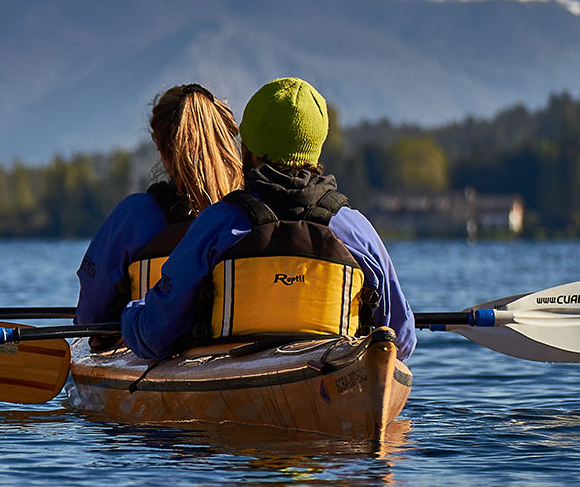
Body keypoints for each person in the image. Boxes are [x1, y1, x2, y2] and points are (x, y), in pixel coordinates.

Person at [120, 77, 416, 360]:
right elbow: (401, 340)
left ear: (246, 150)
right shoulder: (356, 229)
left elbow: (153, 335)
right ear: (315, 150)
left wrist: (131, 314)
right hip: (332, 377)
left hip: (232, 382)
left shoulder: (217, 224)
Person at [75, 84, 243, 332]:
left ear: (164, 149)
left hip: (149, 347)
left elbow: (89, 318)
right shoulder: (246, 212)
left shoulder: (133, 216)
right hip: (232, 347)